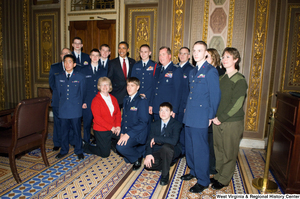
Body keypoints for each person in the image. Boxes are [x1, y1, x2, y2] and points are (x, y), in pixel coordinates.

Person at [181, 41, 221, 193]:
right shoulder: (192, 71)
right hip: (190, 114)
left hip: (202, 116)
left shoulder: (210, 71)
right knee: (190, 147)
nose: (196, 53)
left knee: (200, 149)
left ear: (205, 53)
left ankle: (203, 180)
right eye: (194, 50)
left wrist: (211, 115)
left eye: (200, 50)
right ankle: (194, 171)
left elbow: (215, 95)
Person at [211, 47, 248, 190]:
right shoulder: (221, 78)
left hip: (231, 122)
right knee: (218, 149)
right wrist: (213, 116)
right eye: (223, 57)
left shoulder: (240, 80)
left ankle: (225, 179)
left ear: (235, 60)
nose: (224, 60)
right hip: (217, 120)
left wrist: (222, 117)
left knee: (229, 152)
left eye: (228, 57)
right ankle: (219, 174)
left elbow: (237, 103)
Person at [55, 54, 86, 160]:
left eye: (69, 62)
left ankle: (79, 150)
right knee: (63, 131)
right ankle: (64, 150)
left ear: (74, 64)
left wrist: (81, 105)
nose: (67, 64)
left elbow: (82, 93)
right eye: (65, 62)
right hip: (63, 109)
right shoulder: (59, 77)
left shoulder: (80, 77)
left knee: (77, 131)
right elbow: (58, 94)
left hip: (75, 109)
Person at [144, 102, 182, 186]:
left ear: (171, 113)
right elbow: (149, 140)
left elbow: (173, 141)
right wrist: (149, 154)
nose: (163, 113)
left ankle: (165, 174)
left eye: (166, 110)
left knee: (166, 148)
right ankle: (167, 163)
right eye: (161, 110)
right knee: (148, 165)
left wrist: (156, 138)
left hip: (171, 149)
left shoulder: (176, 124)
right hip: (158, 150)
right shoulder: (154, 124)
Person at [83, 77, 121, 157]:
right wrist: (111, 127)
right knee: (105, 154)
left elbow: (117, 114)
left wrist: (118, 126)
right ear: (99, 87)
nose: (104, 87)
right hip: (101, 130)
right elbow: (98, 119)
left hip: (113, 128)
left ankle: (111, 144)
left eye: (106, 84)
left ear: (110, 86)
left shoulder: (113, 99)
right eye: (102, 85)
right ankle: (85, 146)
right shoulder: (96, 100)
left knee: (124, 137)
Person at [116, 77, 148, 170]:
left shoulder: (142, 101)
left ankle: (138, 156)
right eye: (128, 85)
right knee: (115, 141)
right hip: (127, 130)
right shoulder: (126, 99)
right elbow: (124, 118)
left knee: (120, 147)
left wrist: (128, 135)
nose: (129, 88)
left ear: (137, 87)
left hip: (138, 133)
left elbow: (143, 122)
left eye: (132, 86)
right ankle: (137, 150)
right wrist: (122, 132)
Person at [81, 49, 107, 143]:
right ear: (90, 57)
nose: (95, 57)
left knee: (99, 123)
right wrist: (83, 101)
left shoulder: (103, 71)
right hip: (87, 102)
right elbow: (82, 87)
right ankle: (86, 142)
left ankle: (98, 141)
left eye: (97, 55)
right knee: (87, 124)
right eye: (93, 55)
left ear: (100, 57)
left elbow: (105, 87)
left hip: (99, 101)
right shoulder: (83, 70)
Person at [149, 47, 183, 121]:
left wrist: (174, 109)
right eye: (160, 55)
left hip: (168, 109)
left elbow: (177, 92)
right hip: (157, 107)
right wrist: (151, 104)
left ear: (169, 56)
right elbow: (154, 88)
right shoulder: (158, 69)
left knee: (168, 131)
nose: (161, 57)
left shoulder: (176, 70)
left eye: (163, 54)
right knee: (157, 130)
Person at [49, 48, 72, 151]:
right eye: (63, 54)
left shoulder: (75, 67)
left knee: (71, 122)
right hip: (58, 99)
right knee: (57, 122)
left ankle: (71, 140)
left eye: (68, 54)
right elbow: (52, 84)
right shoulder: (54, 68)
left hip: (70, 100)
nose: (65, 55)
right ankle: (57, 143)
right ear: (61, 56)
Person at [205, 48, 224, 174]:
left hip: (216, 112)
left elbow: (217, 94)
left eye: (207, 56)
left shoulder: (220, 72)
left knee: (214, 142)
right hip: (205, 111)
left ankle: (213, 167)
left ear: (214, 57)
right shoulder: (204, 71)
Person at [107, 41, 136, 109]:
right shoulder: (112, 63)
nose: (121, 50)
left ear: (128, 49)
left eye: (123, 48)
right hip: (117, 95)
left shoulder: (132, 62)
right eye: (119, 48)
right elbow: (109, 79)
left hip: (130, 94)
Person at [177, 47, 194, 155]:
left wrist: (186, 106)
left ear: (189, 56)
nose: (182, 55)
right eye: (180, 53)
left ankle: (182, 150)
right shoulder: (174, 68)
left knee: (182, 129)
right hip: (174, 105)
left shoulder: (191, 70)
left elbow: (190, 91)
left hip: (183, 105)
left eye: (185, 54)